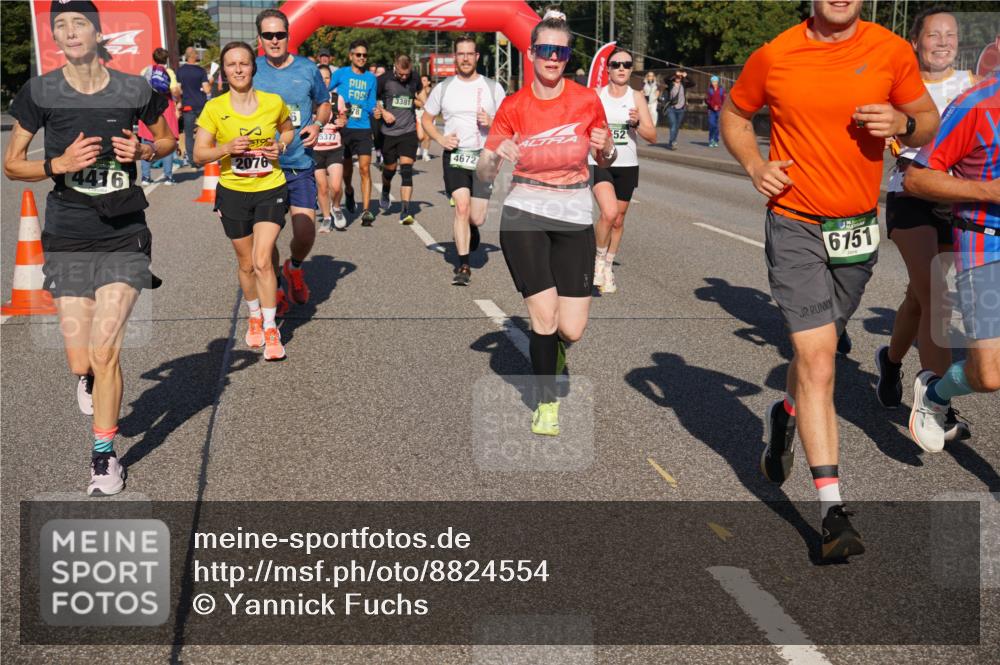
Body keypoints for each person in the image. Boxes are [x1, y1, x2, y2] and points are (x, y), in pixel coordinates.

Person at [720, 0, 938, 561]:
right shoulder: (776, 54)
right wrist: (753, 166)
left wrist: (902, 124)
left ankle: (785, 413)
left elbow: (927, 118)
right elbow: (734, 115)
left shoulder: (890, 50)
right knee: (819, 359)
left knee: (816, 355)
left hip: (856, 232)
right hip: (794, 223)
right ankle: (832, 512)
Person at [4, 0, 175, 496]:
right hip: (68, 230)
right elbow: (13, 165)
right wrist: (58, 164)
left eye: (79, 23)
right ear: (56, 38)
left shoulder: (133, 88)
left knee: (105, 351)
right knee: (81, 360)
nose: (70, 31)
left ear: (99, 33)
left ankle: (104, 457)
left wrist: (143, 149)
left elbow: (167, 143)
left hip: (124, 229)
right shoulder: (41, 91)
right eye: (61, 25)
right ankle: (87, 380)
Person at [477, 10, 614, 435]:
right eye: (545, 50)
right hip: (524, 215)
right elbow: (483, 172)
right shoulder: (513, 106)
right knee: (544, 318)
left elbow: (603, 158)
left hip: (574, 215)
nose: (553, 58)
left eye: (561, 51)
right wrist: (496, 155)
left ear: (568, 56)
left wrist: (606, 146)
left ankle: (555, 354)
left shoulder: (587, 101)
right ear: (531, 53)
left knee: (571, 329)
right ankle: (546, 401)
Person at [876, 6, 977, 442]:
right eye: (933, 35)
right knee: (937, 296)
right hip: (912, 196)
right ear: (916, 42)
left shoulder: (974, 85)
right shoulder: (901, 90)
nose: (942, 41)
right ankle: (938, 402)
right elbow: (903, 148)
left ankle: (891, 363)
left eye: (950, 35)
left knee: (918, 299)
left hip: (956, 203)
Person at [904, 73, 999, 453]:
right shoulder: (975, 105)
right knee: (989, 375)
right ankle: (935, 394)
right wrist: (988, 191)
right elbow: (918, 179)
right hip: (985, 245)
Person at [195, 41, 295, 361]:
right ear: (223, 71)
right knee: (246, 263)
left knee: (263, 260)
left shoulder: (273, 102)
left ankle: (270, 327)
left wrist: (280, 146)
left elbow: (288, 130)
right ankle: (253, 315)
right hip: (233, 191)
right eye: (231, 64)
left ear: (254, 67)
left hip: (270, 186)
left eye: (244, 63)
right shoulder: (214, 108)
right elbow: (198, 154)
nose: (238, 69)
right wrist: (226, 148)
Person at [253, 8, 332, 313]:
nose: (274, 40)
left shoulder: (307, 68)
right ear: (260, 38)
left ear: (289, 35)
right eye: (268, 35)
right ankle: (274, 288)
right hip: (263, 167)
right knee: (266, 237)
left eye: (280, 34)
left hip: (299, 163)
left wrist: (318, 124)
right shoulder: (253, 68)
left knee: (305, 232)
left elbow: (323, 103)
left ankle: (294, 267)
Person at [422, 36, 506, 285]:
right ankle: (463, 265)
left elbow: (509, 124)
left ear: (477, 57)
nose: (466, 58)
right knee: (461, 206)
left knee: (476, 217)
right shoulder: (444, 88)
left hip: (484, 158)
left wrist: (492, 123)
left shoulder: (493, 88)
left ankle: (473, 228)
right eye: (461, 54)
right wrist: (440, 138)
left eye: (470, 54)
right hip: (456, 156)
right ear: (455, 57)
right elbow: (426, 119)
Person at [590, 47, 657, 294]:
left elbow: (652, 136)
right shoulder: (596, 95)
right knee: (608, 213)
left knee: (618, 220)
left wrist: (637, 124)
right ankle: (597, 262)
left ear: (630, 70)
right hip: (601, 162)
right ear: (607, 68)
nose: (621, 68)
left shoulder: (636, 97)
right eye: (616, 64)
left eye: (627, 65)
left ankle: (608, 266)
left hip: (627, 164)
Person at [330, 39, 378, 226]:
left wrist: (377, 110)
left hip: (364, 127)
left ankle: (366, 211)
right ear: (351, 56)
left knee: (365, 168)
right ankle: (349, 190)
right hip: (344, 128)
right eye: (358, 55)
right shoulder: (341, 74)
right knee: (347, 170)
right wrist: (335, 113)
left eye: (365, 55)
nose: (362, 58)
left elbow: (372, 102)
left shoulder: (371, 78)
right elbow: (326, 93)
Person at [375, 55, 423, 225]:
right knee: (389, 170)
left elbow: (420, 93)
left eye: (406, 74)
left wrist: (423, 101)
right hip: (389, 133)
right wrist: (383, 111)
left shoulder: (415, 77)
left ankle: (405, 210)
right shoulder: (383, 80)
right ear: (395, 66)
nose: (404, 77)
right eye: (401, 74)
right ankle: (386, 190)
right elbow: (372, 99)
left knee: (407, 171)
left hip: (408, 131)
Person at [139, 47, 181, 185]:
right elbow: (175, 91)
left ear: (154, 58)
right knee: (166, 140)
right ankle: (168, 177)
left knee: (146, 142)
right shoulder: (168, 72)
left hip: (147, 107)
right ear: (166, 59)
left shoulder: (146, 70)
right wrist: (178, 99)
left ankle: (145, 177)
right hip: (165, 108)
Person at [314, 64, 348, 232]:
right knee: (322, 187)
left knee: (335, 186)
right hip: (315, 149)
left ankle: (336, 207)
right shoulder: (309, 97)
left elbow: (343, 117)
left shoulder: (336, 97)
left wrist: (343, 121)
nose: (324, 80)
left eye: (327, 77)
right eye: (321, 77)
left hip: (334, 147)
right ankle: (326, 218)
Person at [177, 47, 211, 168]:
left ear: (186, 56)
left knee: (189, 134)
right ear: (195, 56)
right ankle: (207, 157)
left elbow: (177, 89)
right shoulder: (201, 71)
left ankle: (193, 161)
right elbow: (207, 90)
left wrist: (179, 101)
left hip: (187, 106)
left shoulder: (180, 71)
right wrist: (210, 82)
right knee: (206, 132)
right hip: (201, 105)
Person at [663, 69, 693, 150]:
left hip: (681, 109)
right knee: (673, 125)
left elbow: (693, 83)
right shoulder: (670, 84)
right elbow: (665, 79)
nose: (678, 78)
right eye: (676, 77)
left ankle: (673, 140)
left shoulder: (683, 84)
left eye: (679, 77)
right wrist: (674, 73)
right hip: (671, 108)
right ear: (674, 77)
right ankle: (671, 143)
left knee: (677, 126)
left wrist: (686, 76)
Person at [705, 75, 726, 148]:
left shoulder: (721, 90)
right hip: (711, 110)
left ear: (717, 82)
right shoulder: (709, 90)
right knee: (711, 125)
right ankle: (711, 140)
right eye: (713, 81)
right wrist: (713, 106)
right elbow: (707, 100)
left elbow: (724, 100)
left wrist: (720, 107)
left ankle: (716, 140)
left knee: (717, 126)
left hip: (719, 110)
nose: (714, 83)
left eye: (715, 81)